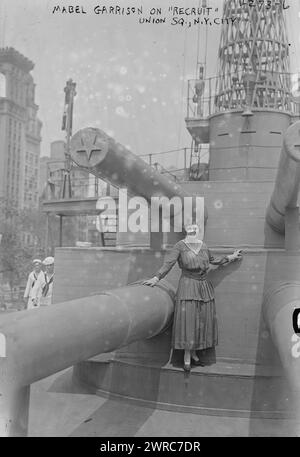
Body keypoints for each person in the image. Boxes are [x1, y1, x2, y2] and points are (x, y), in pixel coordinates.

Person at [143, 223, 243, 372]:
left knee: (200, 319)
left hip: (203, 287)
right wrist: (156, 278)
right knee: (188, 320)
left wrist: (231, 257)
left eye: (195, 229)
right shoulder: (179, 246)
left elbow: (213, 260)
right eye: (190, 229)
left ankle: (195, 353)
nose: (193, 231)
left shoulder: (203, 246)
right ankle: (187, 356)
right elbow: (168, 263)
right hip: (188, 286)